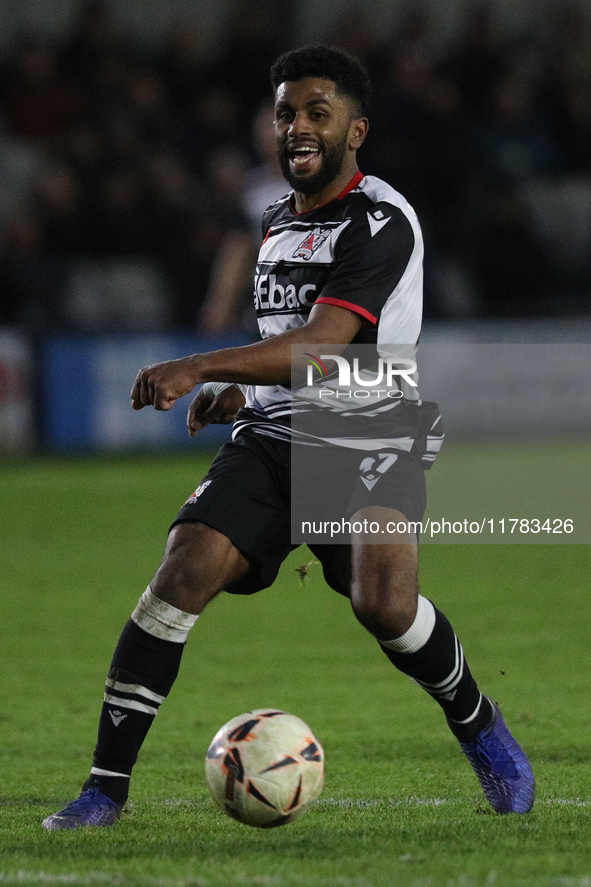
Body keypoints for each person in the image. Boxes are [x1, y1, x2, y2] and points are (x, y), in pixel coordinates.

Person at [42, 45, 535, 830]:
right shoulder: (275, 220)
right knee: (182, 568)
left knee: (383, 605)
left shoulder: (381, 220)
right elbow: (290, 350)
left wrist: (196, 363)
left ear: (355, 128)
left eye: (316, 112)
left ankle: (478, 724)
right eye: (284, 113)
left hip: (370, 422)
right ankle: (105, 788)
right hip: (278, 429)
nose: (296, 127)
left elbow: (327, 344)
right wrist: (240, 388)